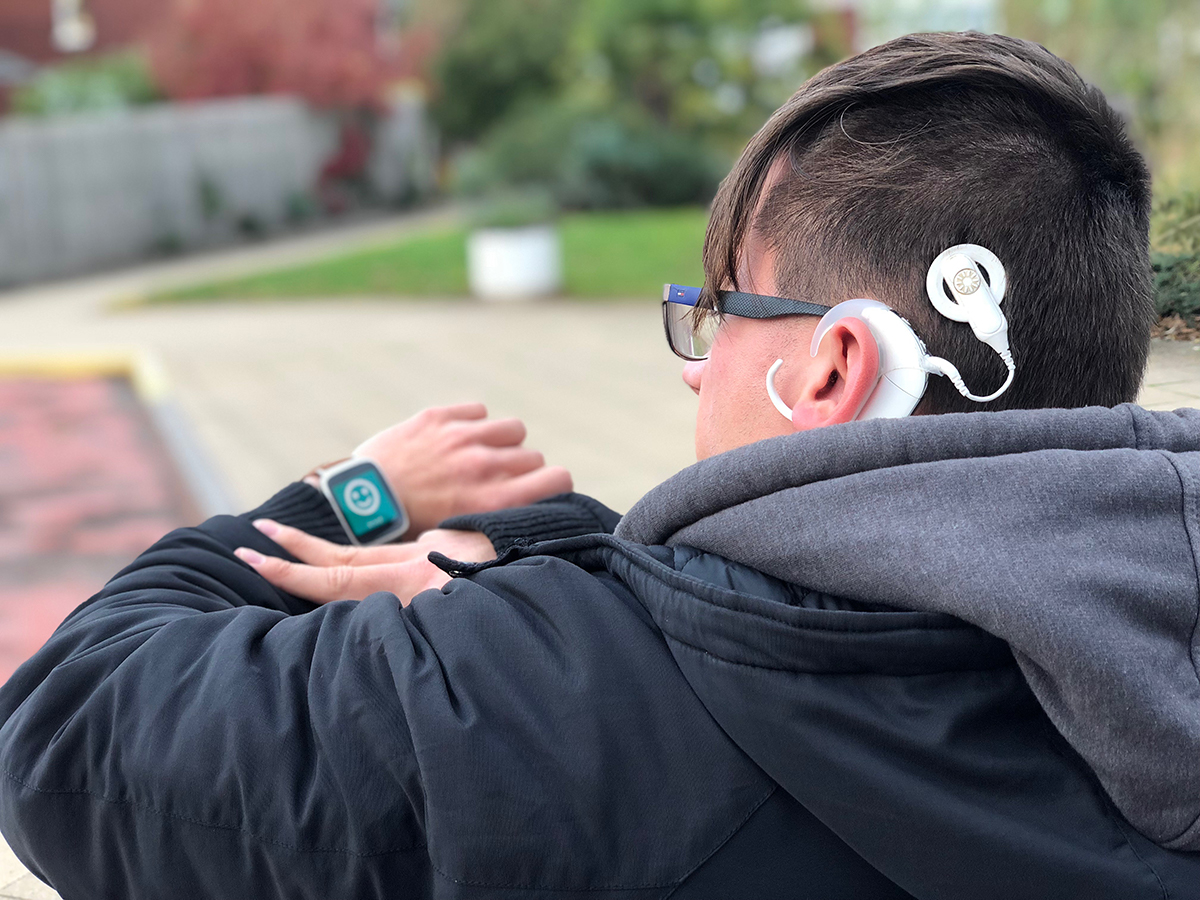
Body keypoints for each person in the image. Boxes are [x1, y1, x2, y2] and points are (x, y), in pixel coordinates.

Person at [1, 30, 1199, 899]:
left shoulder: (544, 705)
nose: (696, 362)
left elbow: (64, 732)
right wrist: (562, 571)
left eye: (723, 308)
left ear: (837, 368)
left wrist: (361, 495)